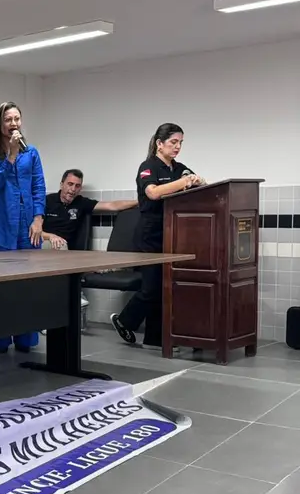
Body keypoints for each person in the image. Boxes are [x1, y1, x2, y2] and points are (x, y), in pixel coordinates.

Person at [111, 123, 205, 348]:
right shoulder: (148, 166)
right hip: (149, 234)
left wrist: (198, 180)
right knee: (152, 287)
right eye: (173, 142)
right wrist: (182, 183)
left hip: (171, 233)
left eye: (180, 143)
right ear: (159, 143)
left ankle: (155, 338)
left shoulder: (178, 168)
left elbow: (197, 181)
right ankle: (124, 320)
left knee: (165, 287)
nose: (178, 147)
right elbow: (152, 193)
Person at [0, 101, 46, 353]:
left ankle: (26, 340)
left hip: (27, 227)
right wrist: (11, 156)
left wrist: (38, 219)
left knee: (28, 286)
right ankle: (0, 340)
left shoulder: (32, 152)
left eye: (17, 119)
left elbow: (38, 186)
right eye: (8, 119)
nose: (14, 124)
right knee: (1, 287)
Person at [41, 169, 138, 250]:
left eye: (77, 186)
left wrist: (140, 201)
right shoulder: (46, 201)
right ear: (62, 185)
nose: (73, 189)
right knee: (58, 245)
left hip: (65, 247)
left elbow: (112, 205)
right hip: (45, 241)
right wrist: (50, 236)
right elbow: (34, 230)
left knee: (61, 245)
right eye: (70, 184)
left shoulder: (81, 202)